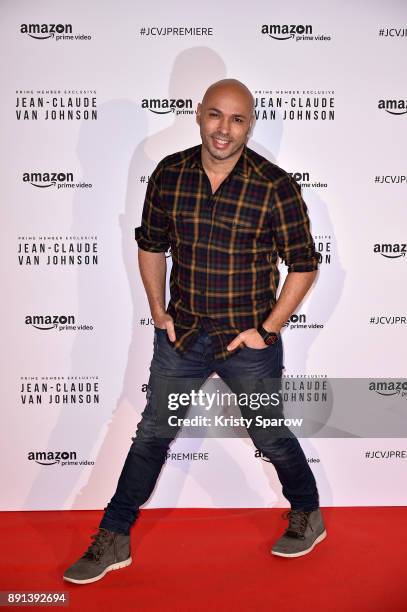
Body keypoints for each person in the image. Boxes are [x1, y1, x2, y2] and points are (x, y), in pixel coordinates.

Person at [63, 79, 326, 584]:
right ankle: (114, 537)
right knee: (150, 437)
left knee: (269, 435)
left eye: (237, 119)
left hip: (245, 342)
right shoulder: (170, 173)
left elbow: (304, 264)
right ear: (199, 114)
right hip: (182, 338)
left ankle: (308, 512)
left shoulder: (274, 185)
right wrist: (158, 311)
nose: (223, 129)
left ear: (250, 124)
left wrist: (267, 331)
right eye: (215, 115)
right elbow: (150, 244)